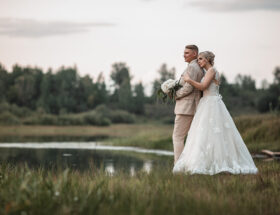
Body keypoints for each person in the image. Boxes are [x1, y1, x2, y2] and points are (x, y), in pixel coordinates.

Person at [173, 51, 258, 175]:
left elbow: (203, 86)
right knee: (205, 134)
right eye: (198, 59)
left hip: (210, 103)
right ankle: (205, 161)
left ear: (207, 59)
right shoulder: (209, 72)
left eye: (201, 59)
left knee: (212, 133)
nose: (199, 61)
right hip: (207, 102)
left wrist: (188, 80)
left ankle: (215, 163)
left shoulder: (212, 70)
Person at [172, 45, 204, 164]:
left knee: (178, 137)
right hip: (195, 106)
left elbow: (188, 88)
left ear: (195, 54)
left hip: (186, 107)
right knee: (192, 138)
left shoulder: (192, 67)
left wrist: (175, 95)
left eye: (187, 53)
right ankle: (191, 164)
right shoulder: (199, 67)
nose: (183, 55)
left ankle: (178, 166)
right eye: (184, 52)